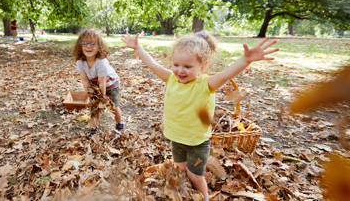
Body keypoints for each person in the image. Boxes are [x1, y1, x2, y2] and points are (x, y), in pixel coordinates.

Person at [121, 32, 279, 199]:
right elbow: (152, 64)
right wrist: (138, 48)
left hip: (197, 142)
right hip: (177, 138)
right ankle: (184, 193)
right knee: (179, 168)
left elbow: (226, 74)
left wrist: (245, 60)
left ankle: (204, 197)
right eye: (176, 64)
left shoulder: (205, 84)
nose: (180, 70)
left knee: (195, 176)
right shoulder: (171, 79)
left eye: (188, 67)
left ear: (203, 66)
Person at [73, 28, 124, 136]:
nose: (88, 46)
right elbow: (84, 79)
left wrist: (102, 98)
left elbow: (102, 82)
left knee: (114, 106)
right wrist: (90, 94)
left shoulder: (101, 62)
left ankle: (119, 124)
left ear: (99, 46)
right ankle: (94, 128)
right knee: (95, 109)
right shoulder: (80, 62)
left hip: (111, 84)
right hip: (96, 86)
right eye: (85, 43)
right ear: (80, 46)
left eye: (92, 43)